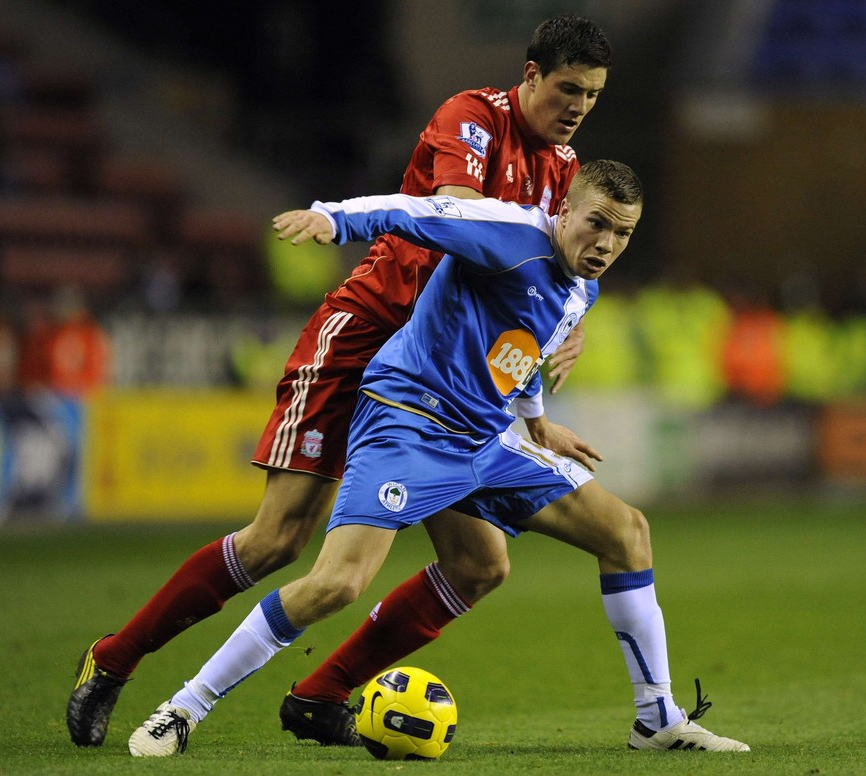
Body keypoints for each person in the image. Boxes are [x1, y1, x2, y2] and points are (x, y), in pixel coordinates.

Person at [67, 14, 611, 749]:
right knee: (277, 540)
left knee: (480, 563)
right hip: (367, 333)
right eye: (569, 89)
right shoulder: (474, 118)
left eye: (593, 95)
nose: (579, 107)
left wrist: (566, 320)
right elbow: (458, 220)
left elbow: (555, 266)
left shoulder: (567, 170)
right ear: (531, 75)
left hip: (435, 378)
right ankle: (114, 658)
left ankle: (320, 694)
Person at [127, 160, 750, 756]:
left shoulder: (582, 286)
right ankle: (183, 708)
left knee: (620, 534)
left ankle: (656, 718)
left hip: (484, 438)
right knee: (338, 582)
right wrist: (333, 217)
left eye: (623, 233)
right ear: (564, 212)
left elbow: (521, 348)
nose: (607, 243)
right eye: (597, 224)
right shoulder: (509, 235)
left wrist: (536, 422)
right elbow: (416, 212)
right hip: (410, 423)